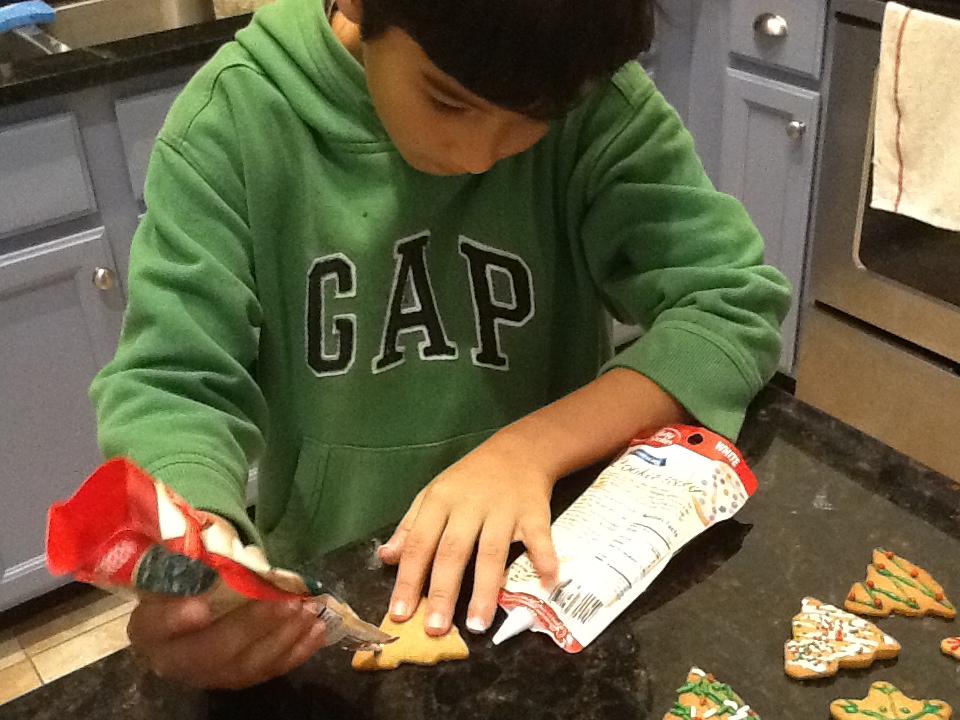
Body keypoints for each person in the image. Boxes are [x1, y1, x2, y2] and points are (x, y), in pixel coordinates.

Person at [90, 0, 791, 689]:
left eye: (535, 121)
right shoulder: (233, 121)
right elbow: (174, 386)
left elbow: (731, 306)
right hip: (346, 597)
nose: (478, 154)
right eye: (448, 102)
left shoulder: (593, 99)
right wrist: (197, 543)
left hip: (549, 588)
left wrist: (531, 448)